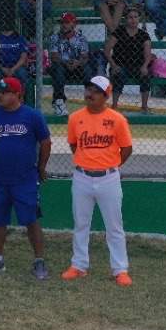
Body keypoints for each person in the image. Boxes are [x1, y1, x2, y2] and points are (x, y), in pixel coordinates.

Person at [61, 75, 134, 285]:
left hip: (108, 177)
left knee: (114, 226)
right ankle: (79, 265)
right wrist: (89, 161)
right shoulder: (75, 117)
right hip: (82, 176)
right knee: (81, 224)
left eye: (95, 90)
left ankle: (120, 269)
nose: (89, 94)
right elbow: (74, 144)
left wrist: (109, 164)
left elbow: (127, 148)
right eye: (88, 89)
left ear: (106, 95)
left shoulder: (117, 119)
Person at [0, 76, 51, 279]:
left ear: (18, 94)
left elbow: (45, 142)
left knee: (31, 219)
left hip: (25, 178)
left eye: (4, 92)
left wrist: (41, 167)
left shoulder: (32, 116)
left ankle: (39, 261)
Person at [47, 12, 97, 117]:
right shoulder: (55, 37)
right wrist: (66, 62)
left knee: (88, 70)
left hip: (77, 66)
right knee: (58, 70)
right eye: (62, 23)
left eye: (67, 22)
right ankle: (59, 102)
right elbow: (54, 56)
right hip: (61, 65)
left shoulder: (81, 38)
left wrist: (77, 62)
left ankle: (92, 100)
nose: (64, 25)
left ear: (74, 24)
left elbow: (85, 56)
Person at [104, 6, 152, 113]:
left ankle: (144, 107)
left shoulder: (144, 35)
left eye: (135, 17)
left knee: (145, 75)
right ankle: (114, 106)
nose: (133, 20)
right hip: (119, 64)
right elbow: (107, 50)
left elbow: (148, 54)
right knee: (119, 74)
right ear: (126, 19)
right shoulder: (119, 32)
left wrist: (145, 66)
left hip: (137, 66)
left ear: (139, 19)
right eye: (130, 17)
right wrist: (113, 65)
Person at [0, 23, 30, 99]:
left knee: (22, 74)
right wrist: (2, 68)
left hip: (16, 67)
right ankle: (0, 97)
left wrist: (13, 69)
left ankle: (19, 98)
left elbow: (23, 57)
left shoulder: (19, 37)